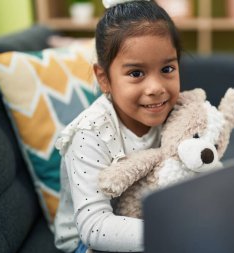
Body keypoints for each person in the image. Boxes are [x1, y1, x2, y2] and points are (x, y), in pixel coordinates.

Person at [53, 0, 181, 252]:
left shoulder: (178, 112)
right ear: (104, 79)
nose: (156, 88)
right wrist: (167, 230)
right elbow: (93, 226)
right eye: (136, 73)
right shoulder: (90, 133)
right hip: (87, 241)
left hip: (152, 223)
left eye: (167, 68)